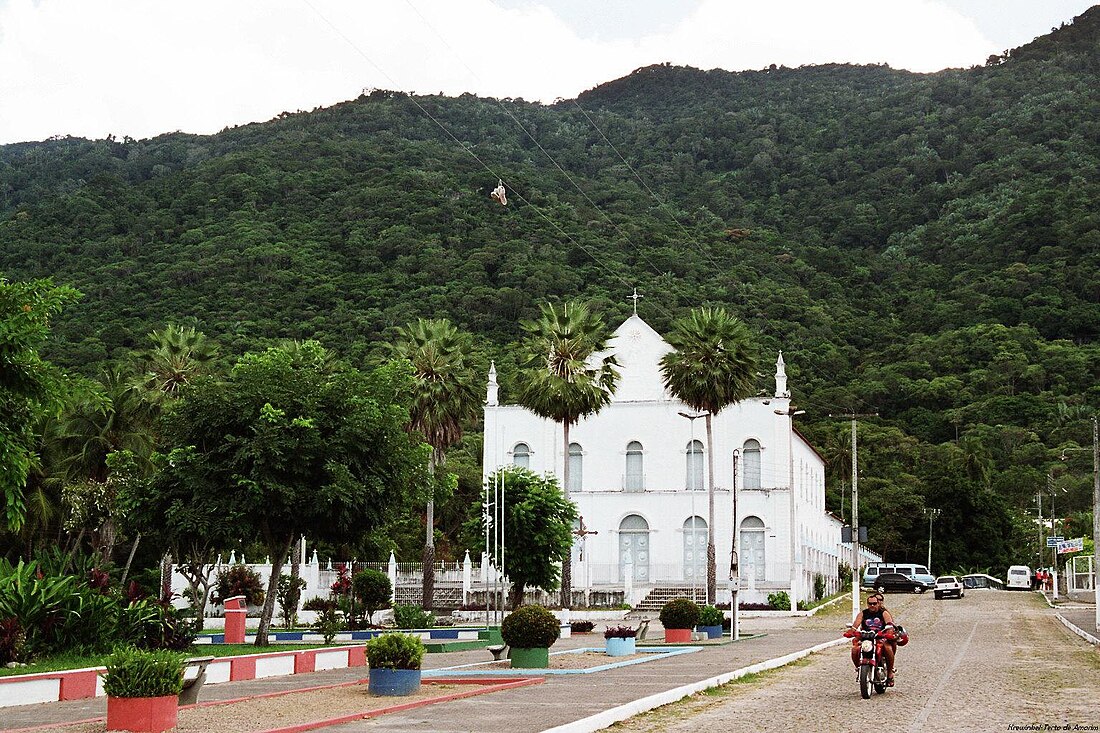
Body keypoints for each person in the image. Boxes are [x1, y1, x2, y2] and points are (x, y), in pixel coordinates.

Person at [850, 592, 897, 686]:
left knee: (887, 648)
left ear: (878, 603)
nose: (872, 605)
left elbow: (890, 623)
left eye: (874, 603)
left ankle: (890, 673)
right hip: (866, 637)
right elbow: (856, 623)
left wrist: (889, 631)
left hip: (880, 637)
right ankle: (858, 668)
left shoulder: (884, 613)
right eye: (870, 603)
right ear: (867, 604)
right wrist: (852, 630)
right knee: (855, 649)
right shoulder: (863, 613)